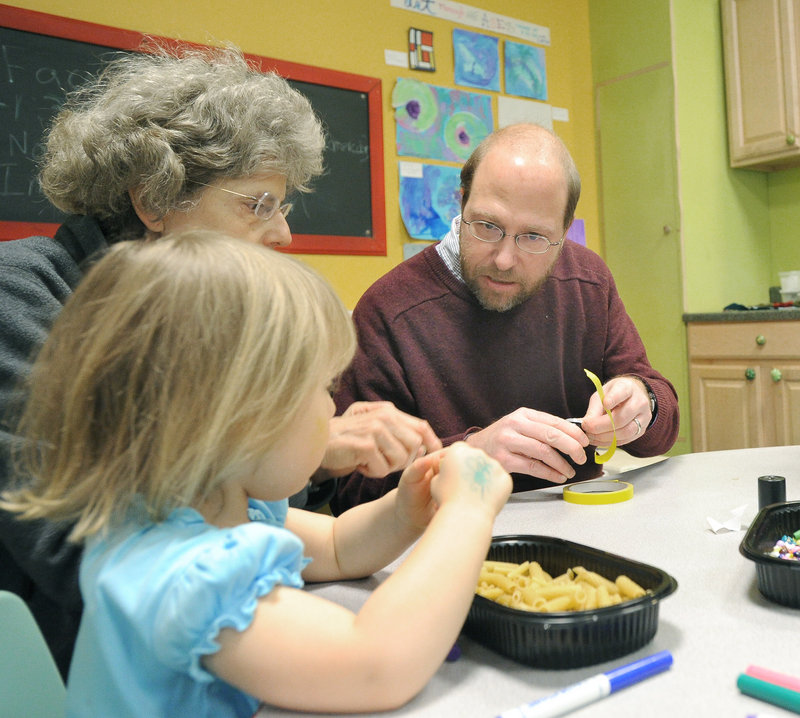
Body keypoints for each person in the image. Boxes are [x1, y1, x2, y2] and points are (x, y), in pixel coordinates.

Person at [0, 43, 438, 679]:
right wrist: (286, 443)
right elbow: (78, 534)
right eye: (257, 203)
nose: (284, 234)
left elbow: (232, 508)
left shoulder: (183, 324)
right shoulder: (20, 295)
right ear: (154, 199)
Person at [0, 232, 511, 717]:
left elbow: (335, 545)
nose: (333, 407)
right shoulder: (181, 574)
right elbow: (377, 664)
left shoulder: (206, 509)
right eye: (321, 388)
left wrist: (405, 510)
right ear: (241, 420)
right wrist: (467, 513)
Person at [331, 123, 679, 513]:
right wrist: (468, 455)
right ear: (461, 204)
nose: (504, 259)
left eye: (533, 237)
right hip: (445, 534)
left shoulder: (588, 281)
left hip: (578, 517)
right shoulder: (388, 310)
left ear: (564, 232)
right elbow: (353, 493)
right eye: (488, 226)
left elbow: (659, 432)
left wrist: (642, 404)